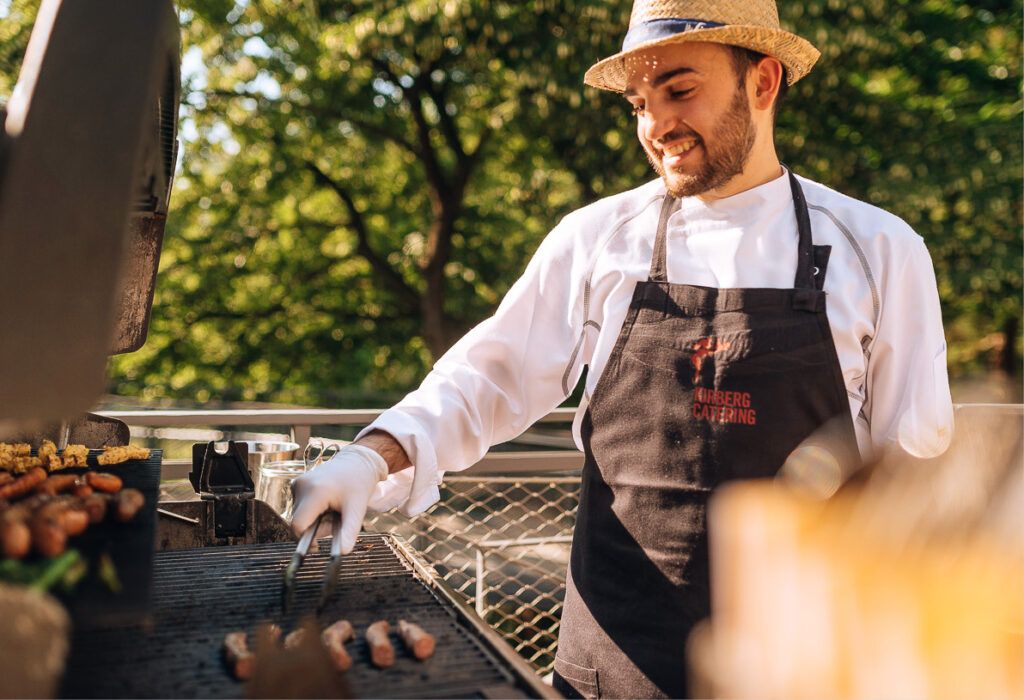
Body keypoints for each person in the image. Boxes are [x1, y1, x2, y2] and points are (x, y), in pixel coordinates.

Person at [291, 0, 954, 696]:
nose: (654, 124)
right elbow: (490, 376)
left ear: (763, 83)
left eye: (679, 90)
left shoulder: (879, 250)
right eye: (639, 102)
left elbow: (915, 473)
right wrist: (372, 454)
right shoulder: (599, 238)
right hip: (613, 661)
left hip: (807, 666)